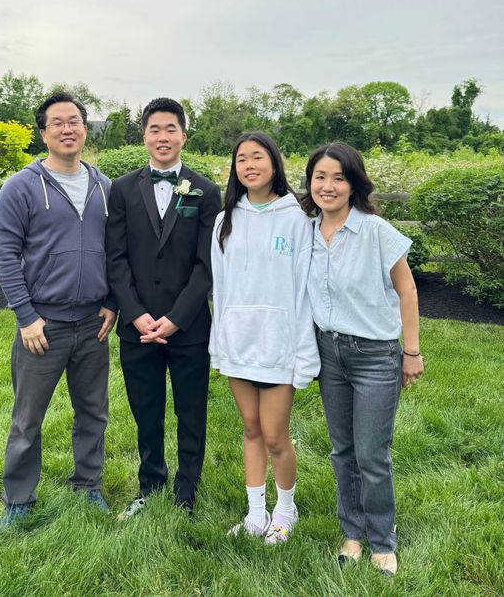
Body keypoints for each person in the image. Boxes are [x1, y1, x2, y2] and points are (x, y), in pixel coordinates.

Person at [0, 91, 116, 528]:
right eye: (57, 122)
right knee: (28, 417)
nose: (67, 128)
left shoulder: (105, 187)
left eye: (75, 120)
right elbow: (4, 256)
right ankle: (19, 498)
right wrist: (26, 316)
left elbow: (118, 251)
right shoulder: (21, 187)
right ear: (43, 133)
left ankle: (88, 485)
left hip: (92, 324)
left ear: (85, 128)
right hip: (42, 326)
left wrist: (112, 304)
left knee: (93, 412)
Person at [302, 141, 424, 576]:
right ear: (310, 182)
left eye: (339, 177)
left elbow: (407, 290)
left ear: (354, 183)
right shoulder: (307, 230)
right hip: (328, 352)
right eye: (320, 176)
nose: (328, 185)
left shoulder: (376, 231)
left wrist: (411, 351)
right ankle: (351, 533)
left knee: (372, 453)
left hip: (375, 355)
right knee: (343, 450)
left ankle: (381, 539)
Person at [106, 97, 221, 517]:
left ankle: (186, 491)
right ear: (144, 137)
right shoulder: (120, 189)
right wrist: (135, 313)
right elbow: (114, 258)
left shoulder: (206, 192)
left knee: (191, 411)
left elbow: (207, 265)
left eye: (170, 129)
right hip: (137, 325)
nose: (163, 137)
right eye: (155, 129)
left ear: (183, 136)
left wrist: (176, 319)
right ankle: (150, 483)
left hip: (187, 327)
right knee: (146, 410)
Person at [209, 132, 320, 544]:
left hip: (279, 343)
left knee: (275, 435)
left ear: (274, 163)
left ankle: (284, 511)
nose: (249, 165)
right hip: (238, 341)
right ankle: (256, 513)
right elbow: (220, 288)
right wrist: (219, 340)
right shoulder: (226, 220)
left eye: (258, 157)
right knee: (251, 429)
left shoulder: (296, 219)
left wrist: (302, 350)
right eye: (241, 159)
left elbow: (303, 289)